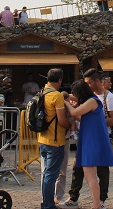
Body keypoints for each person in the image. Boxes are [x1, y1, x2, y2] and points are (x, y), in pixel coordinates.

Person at [58, 69, 113, 209]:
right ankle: (96, 204)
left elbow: (74, 112)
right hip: (88, 139)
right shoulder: (92, 101)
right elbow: (81, 117)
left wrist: (65, 101)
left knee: (91, 176)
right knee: (88, 175)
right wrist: (69, 98)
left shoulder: (92, 101)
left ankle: (98, 205)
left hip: (92, 141)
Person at [38, 68, 70, 209]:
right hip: (55, 141)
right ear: (60, 80)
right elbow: (62, 120)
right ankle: (48, 205)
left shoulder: (41, 93)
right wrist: (70, 125)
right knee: (51, 175)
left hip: (42, 139)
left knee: (46, 174)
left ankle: (46, 201)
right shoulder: (57, 96)